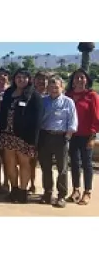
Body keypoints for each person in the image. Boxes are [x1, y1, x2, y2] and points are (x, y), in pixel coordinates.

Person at [0, 69, 43, 204]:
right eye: (18, 77)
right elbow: (2, 113)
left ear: (29, 79)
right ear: (14, 79)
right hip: (7, 134)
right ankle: (14, 190)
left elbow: (37, 120)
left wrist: (33, 141)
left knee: (24, 163)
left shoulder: (34, 96)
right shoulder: (8, 93)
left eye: (24, 77)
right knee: (9, 163)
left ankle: (23, 192)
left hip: (24, 136)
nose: (21, 80)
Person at [39, 75, 77, 208]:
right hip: (45, 136)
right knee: (46, 168)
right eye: (51, 87)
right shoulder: (43, 101)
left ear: (62, 87)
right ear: (47, 88)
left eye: (56, 87)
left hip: (61, 138)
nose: (54, 89)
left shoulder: (68, 102)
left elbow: (72, 122)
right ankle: (48, 193)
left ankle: (61, 196)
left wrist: (67, 137)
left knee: (62, 169)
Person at [66, 69, 99, 206]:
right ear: (72, 81)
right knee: (74, 163)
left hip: (86, 136)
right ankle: (76, 190)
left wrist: (92, 137)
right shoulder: (68, 95)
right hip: (72, 135)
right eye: (76, 78)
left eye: (82, 77)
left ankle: (87, 192)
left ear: (87, 80)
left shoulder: (92, 96)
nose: (79, 80)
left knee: (87, 164)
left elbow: (96, 118)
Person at [29, 70, 50, 194]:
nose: (41, 81)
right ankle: (32, 184)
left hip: (46, 134)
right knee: (31, 161)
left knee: (46, 163)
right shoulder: (29, 95)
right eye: (39, 79)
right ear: (34, 81)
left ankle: (48, 189)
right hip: (32, 133)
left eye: (44, 79)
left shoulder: (51, 97)